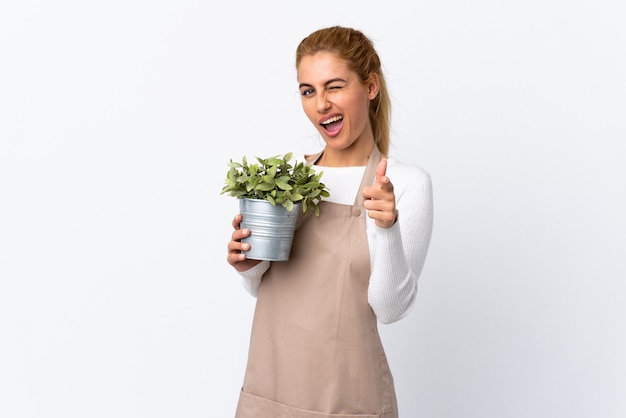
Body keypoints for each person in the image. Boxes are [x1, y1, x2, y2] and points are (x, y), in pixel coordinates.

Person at [226, 26, 433, 418]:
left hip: (348, 402)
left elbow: (390, 309)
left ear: (370, 87)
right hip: (270, 395)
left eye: (334, 87)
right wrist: (249, 267)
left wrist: (385, 230)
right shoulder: (285, 177)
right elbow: (275, 295)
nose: (321, 104)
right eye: (308, 90)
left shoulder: (406, 183)